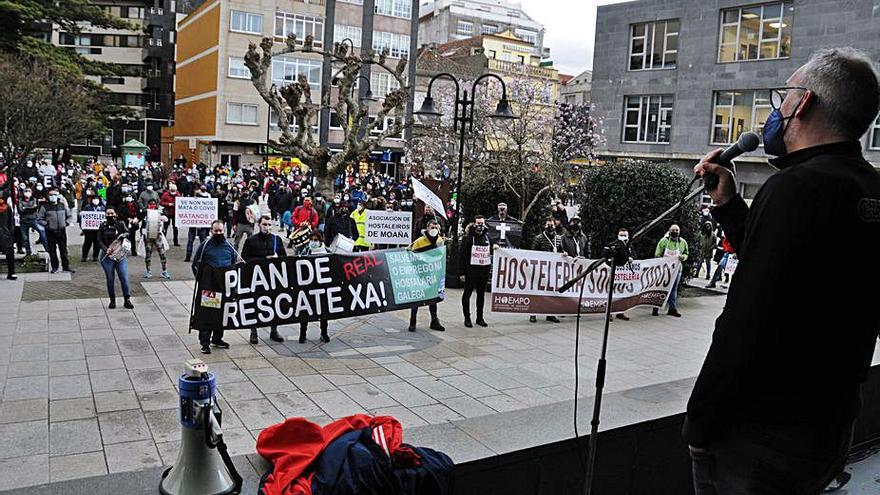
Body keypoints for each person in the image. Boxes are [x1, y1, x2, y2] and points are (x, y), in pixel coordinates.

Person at [686, 48, 880, 494]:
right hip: (827, 426)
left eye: (784, 96)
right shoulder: (867, 186)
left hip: (761, 439)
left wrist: (700, 420)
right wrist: (731, 205)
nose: (777, 110)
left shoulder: (796, 187)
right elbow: (797, 271)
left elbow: (748, 322)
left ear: (804, 102)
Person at [192, 220, 237, 354]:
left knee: (221, 314)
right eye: (215, 231)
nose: (218, 233)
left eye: (220, 231)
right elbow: (195, 265)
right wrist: (203, 280)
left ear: (224, 231)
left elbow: (233, 264)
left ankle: (217, 338)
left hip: (223, 287)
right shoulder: (205, 246)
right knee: (207, 314)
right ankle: (205, 342)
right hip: (209, 287)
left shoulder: (229, 246)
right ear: (211, 231)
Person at [242, 215, 286, 344]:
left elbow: (284, 257)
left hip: (273, 278)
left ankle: (274, 330)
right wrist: (264, 259)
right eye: (264, 224)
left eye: (268, 224)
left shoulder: (276, 240)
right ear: (259, 225)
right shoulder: (251, 241)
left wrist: (277, 258)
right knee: (255, 305)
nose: (266, 227)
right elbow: (245, 258)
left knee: (274, 304)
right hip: (257, 279)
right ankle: (253, 331)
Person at [408, 219, 445, 332]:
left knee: (433, 297)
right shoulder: (420, 241)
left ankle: (434, 321)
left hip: (433, 273)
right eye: (431, 227)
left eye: (435, 227)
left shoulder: (439, 241)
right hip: (420, 273)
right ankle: (412, 321)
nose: (433, 229)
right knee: (417, 297)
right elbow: (410, 252)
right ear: (427, 228)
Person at [97, 208, 133, 309]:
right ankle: (112, 300)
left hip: (120, 255)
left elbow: (127, 233)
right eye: (108, 213)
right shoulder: (102, 226)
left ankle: (127, 299)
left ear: (115, 214)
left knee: (124, 277)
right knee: (110, 278)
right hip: (107, 256)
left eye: (112, 213)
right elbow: (99, 240)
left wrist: (123, 235)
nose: (110, 215)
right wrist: (106, 249)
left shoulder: (120, 223)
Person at [299, 231, 330, 344]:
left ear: (320, 241)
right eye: (311, 240)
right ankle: (302, 334)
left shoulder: (327, 252)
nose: (313, 242)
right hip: (309, 286)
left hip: (323, 287)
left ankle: (324, 333)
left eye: (316, 240)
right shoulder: (306, 250)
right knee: (305, 311)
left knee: (324, 311)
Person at [460, 216, 491, 328]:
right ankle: (467, 318)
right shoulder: (468, 238)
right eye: (478, 223)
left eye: (482, 223)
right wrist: (462, 272)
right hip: (471, 272)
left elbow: (489, 253)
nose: (480, 226)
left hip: (483, 272)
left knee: (481, 295)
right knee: (467, 294)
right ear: (474, 224)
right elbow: (462, 256)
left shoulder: (487, 237)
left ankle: (479, 317)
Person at [530, 217, 562, 323]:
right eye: (548, 225)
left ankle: (550, 313)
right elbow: (533, 252)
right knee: (537, 291)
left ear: (555, 226)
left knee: (552, 292)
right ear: (544, 226)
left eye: (552, 225)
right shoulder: (539, 238)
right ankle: (533, 313)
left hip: (553, 270)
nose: (550, 227)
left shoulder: (558, 238)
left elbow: (562, 251)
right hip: (540, 269)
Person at [37, 188, 74, 274]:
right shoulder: (45, 207)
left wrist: (66, 223)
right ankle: (54, 267)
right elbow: (39, 219)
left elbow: (69, 215)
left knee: (63, 250)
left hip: (61, 231)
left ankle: (66, 267)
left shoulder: (62, 205)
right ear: (48, 197)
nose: (53, 197)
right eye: (51, 195)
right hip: (50, 232)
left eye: (54, 195)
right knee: (52, 250)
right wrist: (47, 224)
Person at [653, 224, 687, 317]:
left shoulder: (683, 242)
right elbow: (657, 254)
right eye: (673, 230)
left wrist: (683, 257)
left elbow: (686, 253)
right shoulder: (663, 241)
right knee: (660, 288)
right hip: (664, 270)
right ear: (669, 231)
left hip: (677, 270)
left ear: (679, 232)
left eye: (677, 230)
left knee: (673, 290)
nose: (675, 232)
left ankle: (672, 309)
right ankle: (655, 308)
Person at [141, 199, 170, 279]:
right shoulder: (145, 212)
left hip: (158, 235)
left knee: (162, 253)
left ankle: (164, 271)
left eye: (153, 204)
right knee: (148, 254)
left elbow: (166, 219)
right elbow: (140, 219)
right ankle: (148, 271)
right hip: (148, 235)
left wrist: (162, 218)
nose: (152, 206)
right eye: (150, 204)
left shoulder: (160, 212)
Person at [17, 187, 47, 255]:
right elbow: (21, 210)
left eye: (29, 191)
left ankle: (47, 249)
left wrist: (27, 208)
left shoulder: (34, 199)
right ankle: (28, 253)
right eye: (26, 191)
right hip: (23, 221)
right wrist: (30, 208)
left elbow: (35, 208)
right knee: (25, 238)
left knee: (42, 232)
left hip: (33, 219)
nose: (27, 193)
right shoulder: (20, 200)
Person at [612, 227, 632, 322]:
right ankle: (610, 313)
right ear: (618, 235)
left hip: (624, 275)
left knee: (622, 293)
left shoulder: (630, 245)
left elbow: (634, 254)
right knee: (612, 293)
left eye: (625, 235)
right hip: (615, 274)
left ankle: (620, 312)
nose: (623, 237)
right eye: (621, 235)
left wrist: (632, 258)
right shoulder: (614, 244)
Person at [79, 194, 104, 262]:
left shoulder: (102, 208)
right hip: (89, 229)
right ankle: (84, 256)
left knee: (97, 243)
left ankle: (95, 256)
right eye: (94, 199)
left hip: (98, 230)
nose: (95, 200)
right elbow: (83, 218)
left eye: (97, 198)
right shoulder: (87, 207)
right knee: (87, 243)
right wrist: (82, 227)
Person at [0, 195, 16, 280]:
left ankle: (11, 272)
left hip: (5, 234)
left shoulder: (7, 207)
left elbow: (11, 221)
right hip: (5, 233)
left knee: (10, 253)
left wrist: (10, 232)